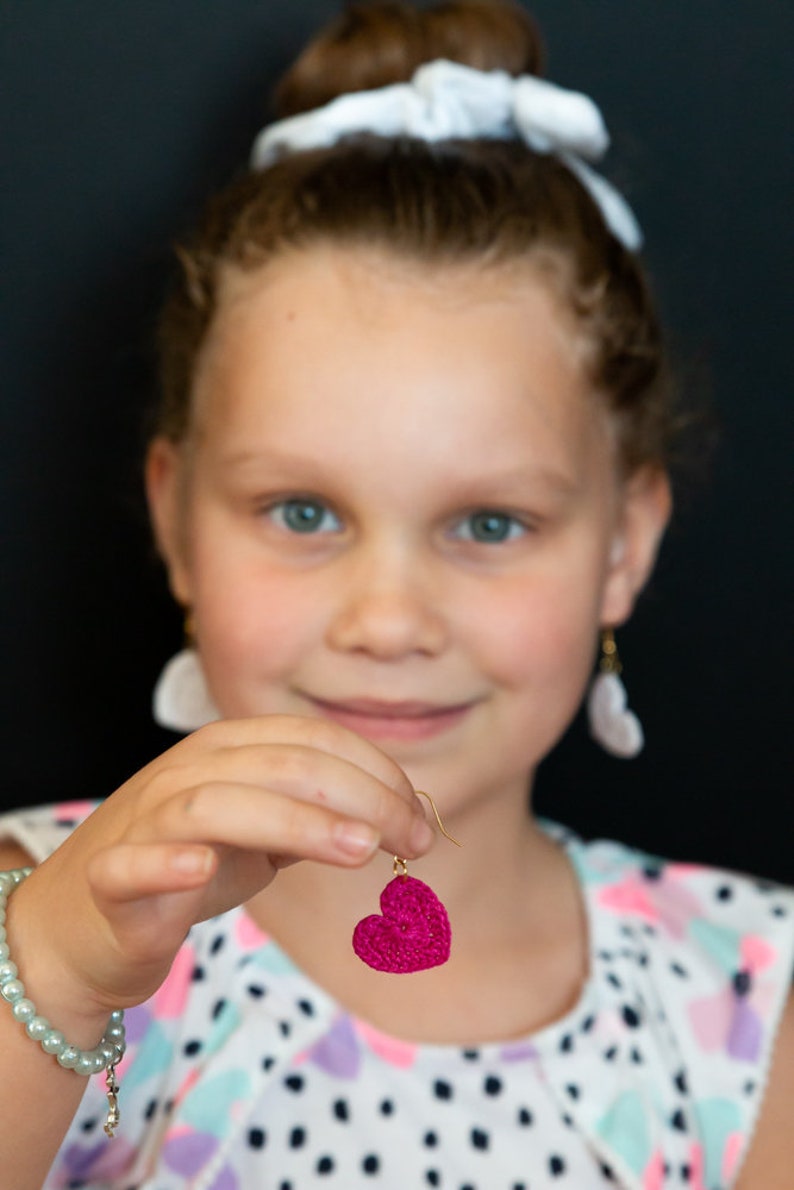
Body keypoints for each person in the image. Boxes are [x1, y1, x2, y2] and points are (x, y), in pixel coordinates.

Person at [1, 2, 792, 1186]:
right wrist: (57, 971)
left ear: (621, 543)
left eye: (488, 524)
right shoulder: (39, 915)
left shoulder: (757, 995)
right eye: (303, 512)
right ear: (174, 519)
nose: (386, 622)